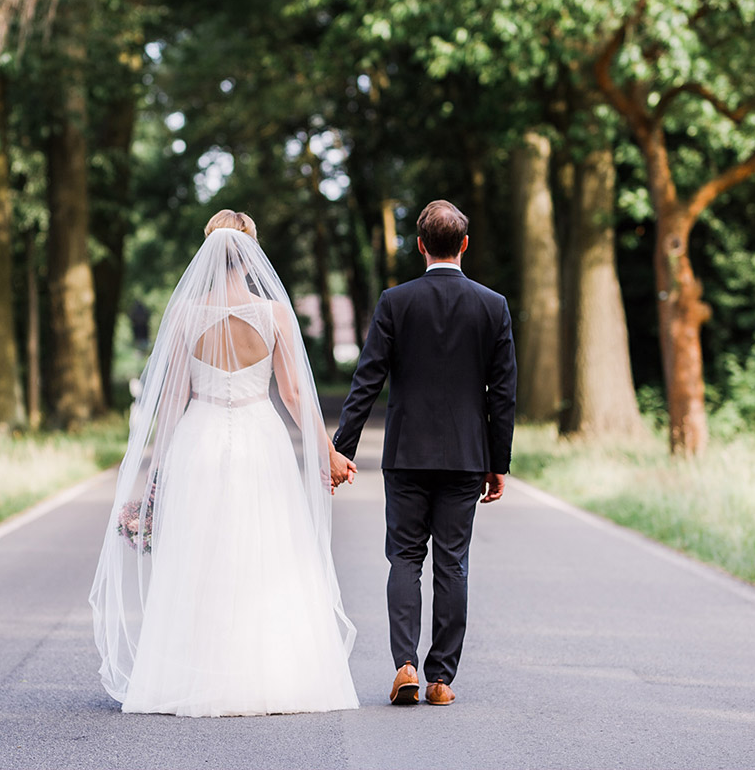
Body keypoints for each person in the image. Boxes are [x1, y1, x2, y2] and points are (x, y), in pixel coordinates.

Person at [90, 210, 359, 717]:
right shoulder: (275, 313)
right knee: (266, 549)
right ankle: (273, 674)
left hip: (201, 437)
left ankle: (190, 673)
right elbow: (296, 393)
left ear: (207, 250)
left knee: (201, 551)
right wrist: (329, 453)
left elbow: (170, 401)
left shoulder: (187, 314)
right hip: (262, 437)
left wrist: (151, 477)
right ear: (251, 250)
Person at [333, 199, 516, 706]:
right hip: (465, 456)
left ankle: (405, 666)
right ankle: (440, 680)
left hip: (407, 453)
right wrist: (497, 462)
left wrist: (341, 448)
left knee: (404, 560)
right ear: (463, 245)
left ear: (419, 246)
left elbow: (368, 378)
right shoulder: (492, 305)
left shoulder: (396, 301)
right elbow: (502, 393)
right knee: (452, 564)